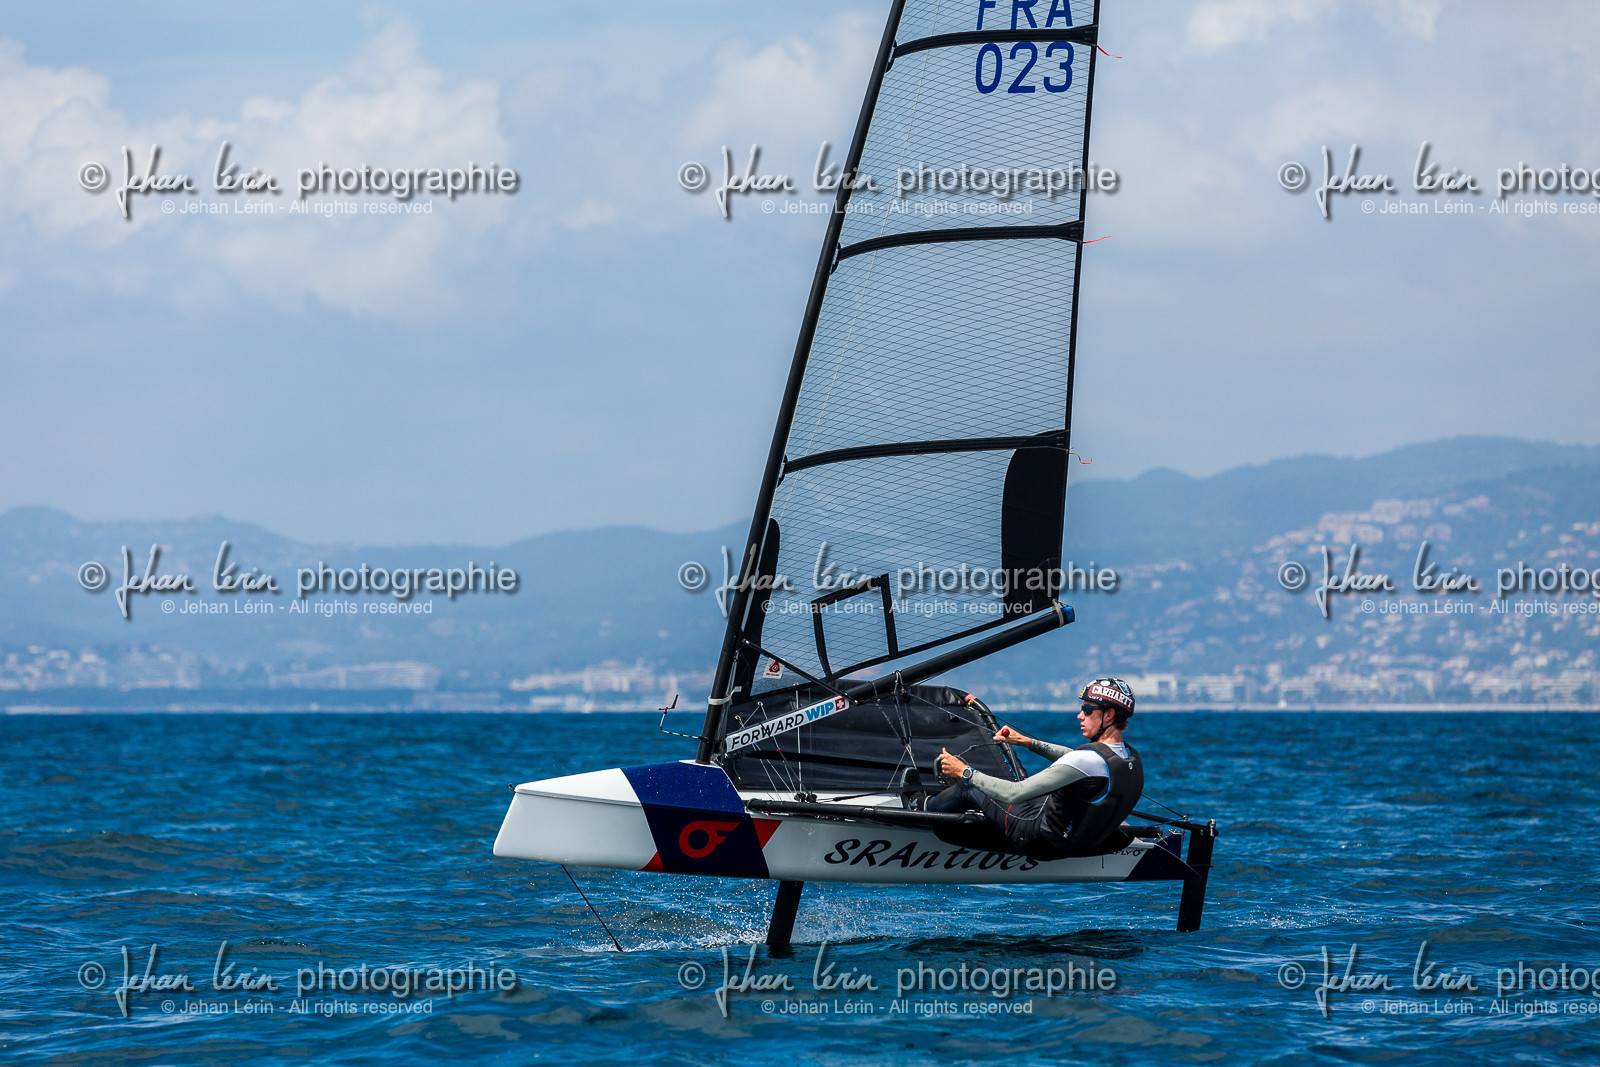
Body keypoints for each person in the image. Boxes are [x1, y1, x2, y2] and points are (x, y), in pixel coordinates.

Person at [929, 678, 1144, 859]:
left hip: (1036, 840)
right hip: (1083, 841)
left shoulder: (1086, 761)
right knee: (1042, 793)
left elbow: (1014, 794)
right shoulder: (1128, 758)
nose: (1080, 715)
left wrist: (965, 771)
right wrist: (1027, 742)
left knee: (974, 787)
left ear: (1109, 716)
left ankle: (925, 807)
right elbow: (1076, 759)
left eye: (1088, 710)